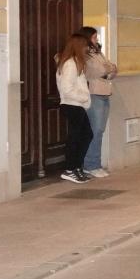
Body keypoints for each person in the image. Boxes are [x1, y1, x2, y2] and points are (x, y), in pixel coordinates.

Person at [77, 26, 118, 178]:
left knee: (99, 130)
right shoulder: (85, 54)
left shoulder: (97, 52)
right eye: (94, 37)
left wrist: (109, 69)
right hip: (94, 94)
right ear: (87, 38)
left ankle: (95, 163)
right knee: (95, 130)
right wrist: (108, 68)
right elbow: (99, 70)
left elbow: (113, 69)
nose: (97, 40)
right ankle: (90, 165)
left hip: (105, 93)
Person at [56, 33, 94, 183]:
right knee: (77, 137)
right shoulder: (70, 64)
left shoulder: (76, 62)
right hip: (72, 105)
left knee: (85, 135)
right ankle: (70, 169)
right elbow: (67, 89)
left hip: (77, 105)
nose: (86, 49)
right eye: (85, 46)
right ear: (78, 46)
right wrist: (83, 97)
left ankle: (76, 166)